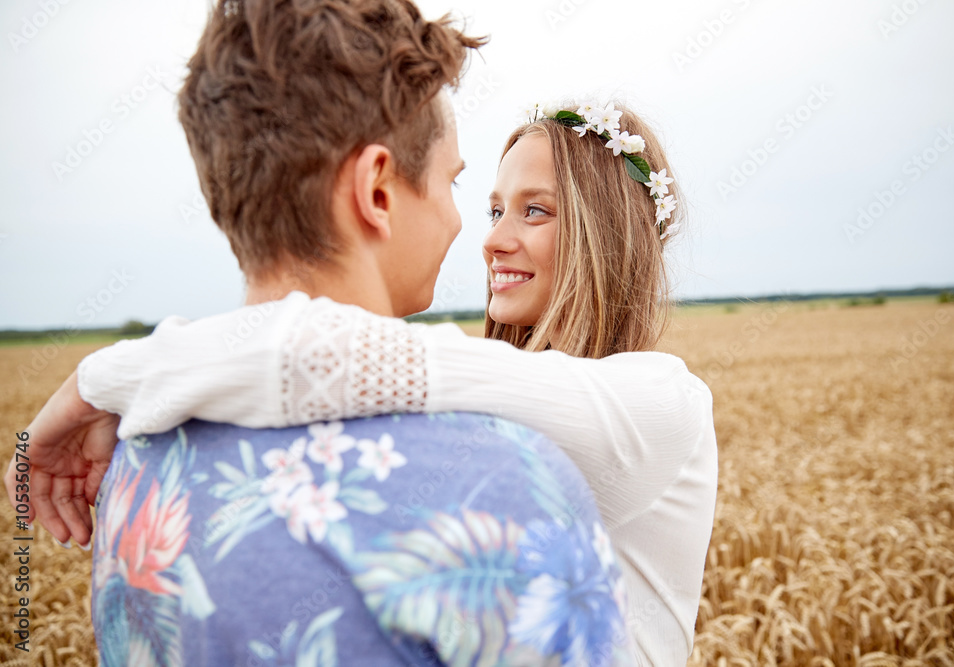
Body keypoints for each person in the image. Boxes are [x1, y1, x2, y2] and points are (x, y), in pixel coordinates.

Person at [4, 1, 638, 665]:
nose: (464, 227)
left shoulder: (132, 464)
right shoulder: (514, 489)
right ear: (378, 192)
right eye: (453, 183)